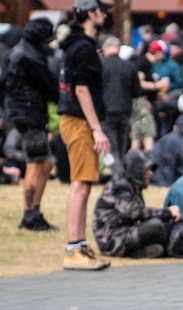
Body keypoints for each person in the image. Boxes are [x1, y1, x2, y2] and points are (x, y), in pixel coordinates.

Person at [58, 0, 113, 270]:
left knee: (85, 183)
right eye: (102, 11)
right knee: (80, 185)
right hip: (80, 121)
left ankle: (79, 246)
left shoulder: (76, 43)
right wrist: (97, 129)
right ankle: (73, 249)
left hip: (75, 119)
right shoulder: (83, 47)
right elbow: (81, 90)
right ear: (91, 13)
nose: (105, 15)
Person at [4, 17, 60, 231]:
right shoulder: (31, 56)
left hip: (25, 113)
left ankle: (33, 213)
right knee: (39, 163)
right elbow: (49, 86)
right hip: (30, 114)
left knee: (42, 163)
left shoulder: (22, 50)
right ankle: (30, 216)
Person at [92, 149, 180, 258]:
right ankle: (140, 252)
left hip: (123, 233)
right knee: (156, 225)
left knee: (162, 228)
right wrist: (167, 212)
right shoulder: (120, 185)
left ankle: (141, 252)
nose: (151, 173)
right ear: (137, 169)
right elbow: (134, 212)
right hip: (111, 240)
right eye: (148, 169)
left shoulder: (132, 184)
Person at [100, 36, 141, 176]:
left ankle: (119, 177)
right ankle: (120, 175)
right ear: (118, 49)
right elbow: (137, 92)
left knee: (111, 150)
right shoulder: (129, 65)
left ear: (105, 49)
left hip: (105, 112)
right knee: (120, 147)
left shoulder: (100, 63)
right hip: (124, 112)